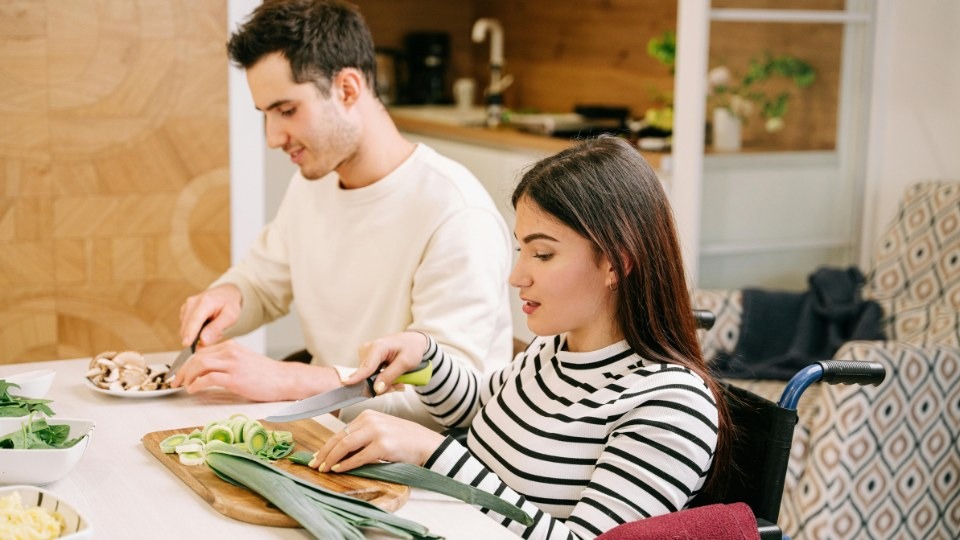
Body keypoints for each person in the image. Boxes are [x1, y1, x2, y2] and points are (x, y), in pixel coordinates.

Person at [311, 136, 733, 539]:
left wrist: (435, 454)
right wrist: (426, 359)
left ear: (616, 263)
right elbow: (480, 410)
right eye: (521, 251)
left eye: (543, 254)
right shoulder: (555, 349)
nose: (517, 277)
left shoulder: (672, 407)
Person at [171, 0, 513, 429]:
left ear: (347, 89)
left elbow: (443, 402)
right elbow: (262, 283)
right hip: (326, 431)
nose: (274, 138)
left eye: (287, 110)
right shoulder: (312, 184)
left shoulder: (457, 214)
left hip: (418, 461)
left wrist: (285, 378)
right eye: (266, 115)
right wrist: (229, 296)